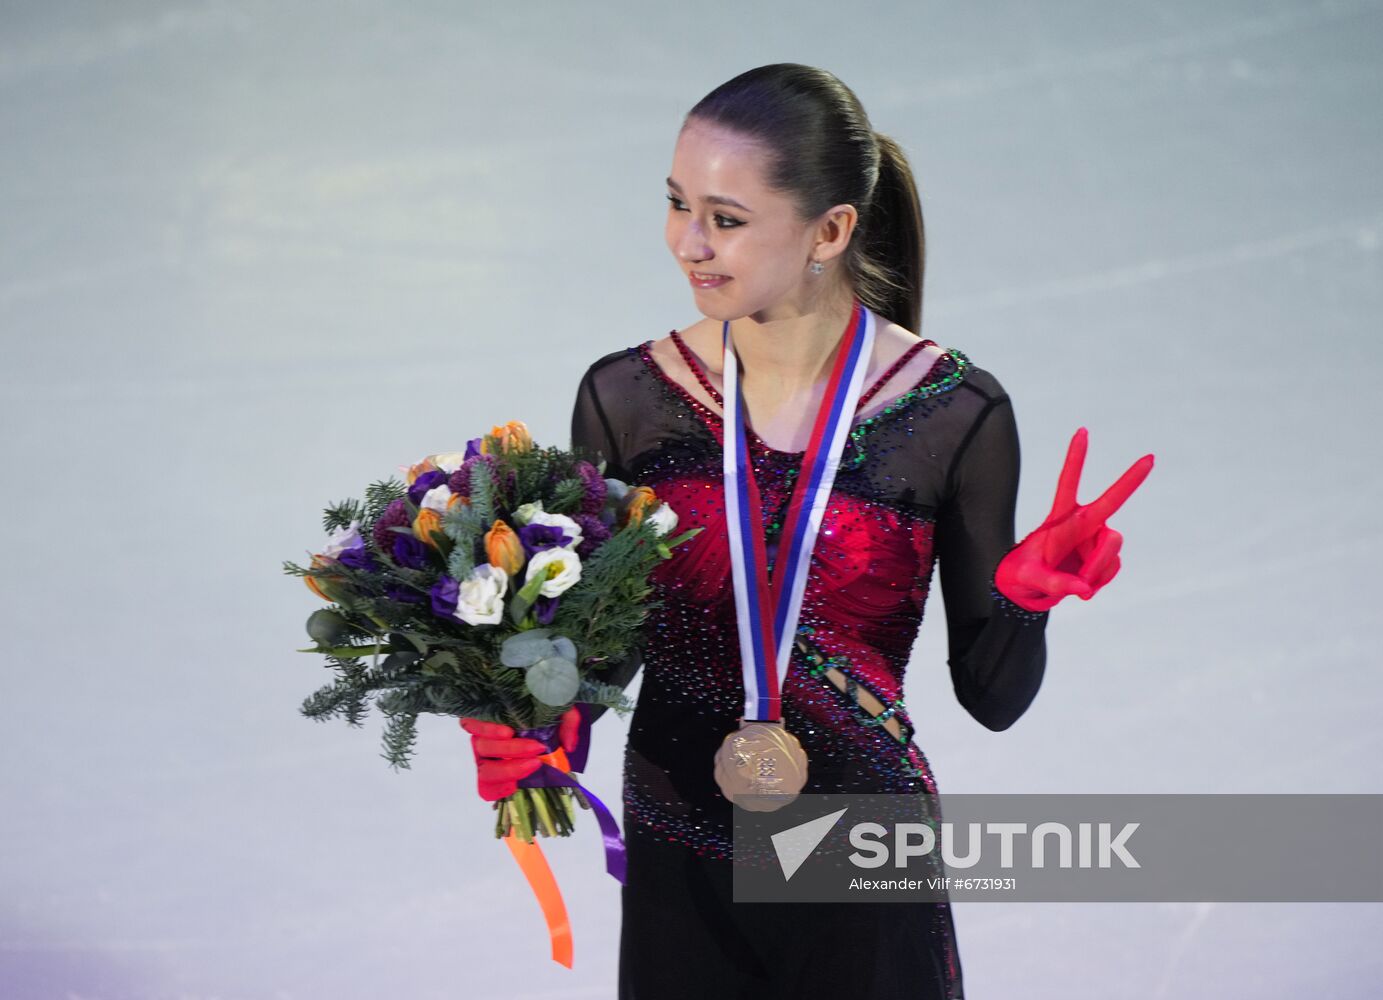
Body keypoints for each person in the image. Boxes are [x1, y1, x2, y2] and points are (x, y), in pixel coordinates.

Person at [463, 63, 1152, 999]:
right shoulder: (626, 401)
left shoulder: (951, 415)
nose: (686, 244)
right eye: (676, 204)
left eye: (726, 218)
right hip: (680, 849)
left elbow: (992, 700)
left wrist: (1022, 605)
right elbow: (605, 653)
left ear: (829, 230)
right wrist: (540, 727)